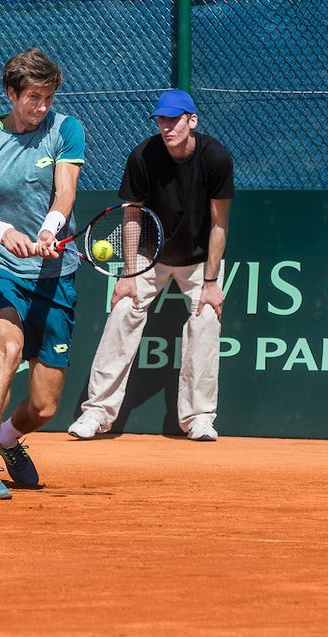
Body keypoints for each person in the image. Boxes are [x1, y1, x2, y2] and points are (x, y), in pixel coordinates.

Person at [0, 48, 86, 499]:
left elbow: (65, 191)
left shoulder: (66, 129)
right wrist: (3, 231)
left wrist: (49, 229)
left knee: (46, 406)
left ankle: (10, 438)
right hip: (5, 272)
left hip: (55, 275)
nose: (42, 107)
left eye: (48, 97)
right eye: (33, 97)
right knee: (7, 349)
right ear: (11, 93)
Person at [67, 89, 233, 442]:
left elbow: (219, 223)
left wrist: (211, 280)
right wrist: (128, 274)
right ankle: (97, 413)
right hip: (148, 251)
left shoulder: (215, 157)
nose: (167, 127)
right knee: (124, 309)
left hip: (198, 257)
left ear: (192, 120)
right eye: (161, 120)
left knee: (205, 319)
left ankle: (199, 417)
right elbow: (132, 215)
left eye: (174, 119)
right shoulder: (143, 155)